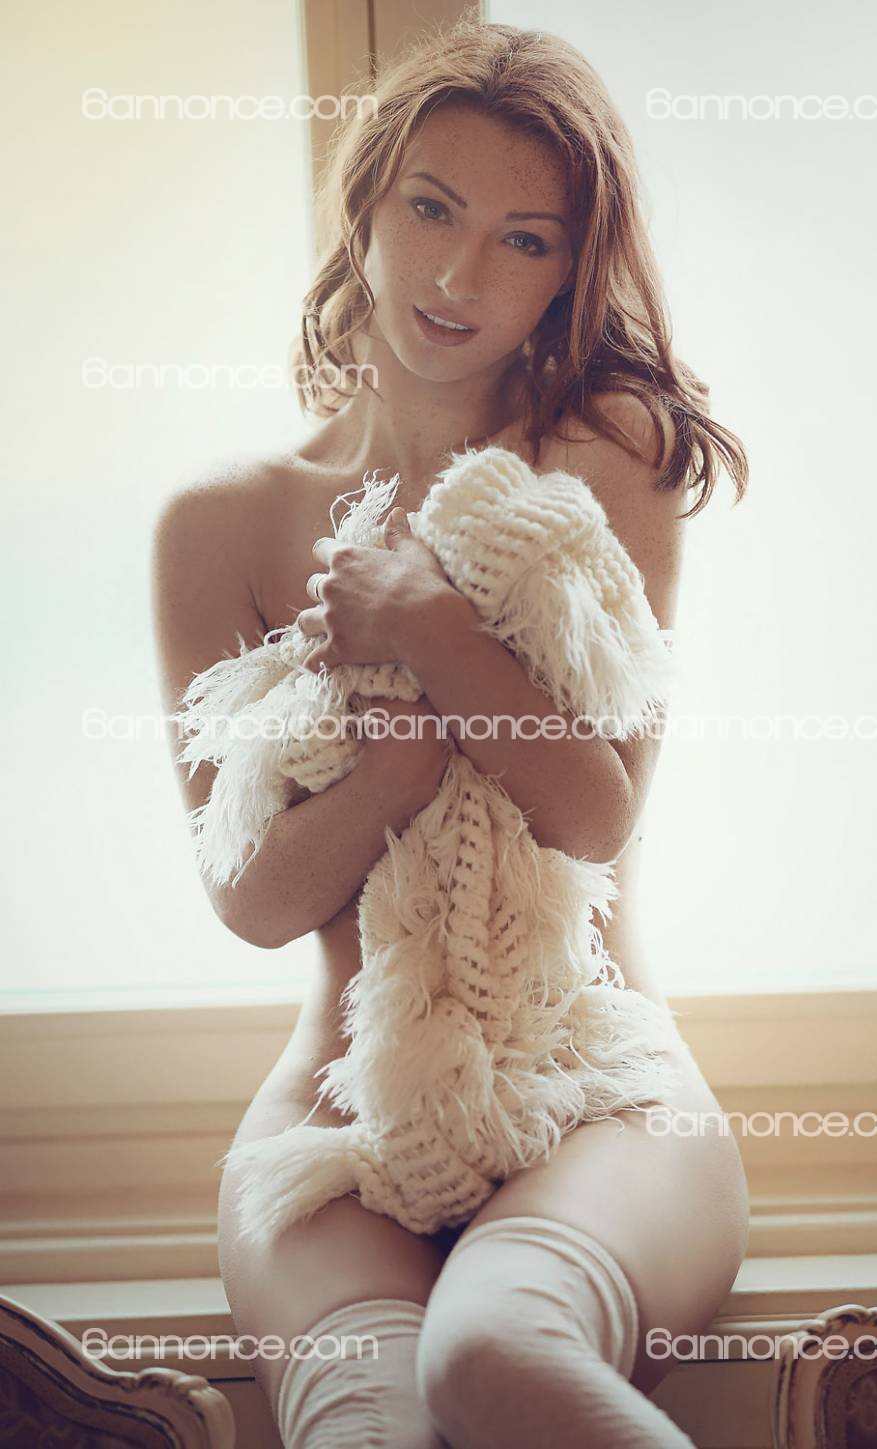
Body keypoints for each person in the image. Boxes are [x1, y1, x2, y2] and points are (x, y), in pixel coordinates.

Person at [152, 17, 750, 1447]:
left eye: (523, 240)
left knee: (491, 1356)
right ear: (366, 200)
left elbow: (593, 817)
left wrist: (432, 629)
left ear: (568, 272)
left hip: (597, 1088)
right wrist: (394, 776)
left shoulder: (605, 459)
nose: (460, 275)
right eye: (432, 209)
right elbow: (252, 900)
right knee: (373, 1423)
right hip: (335, 1111)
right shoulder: (219, 524)